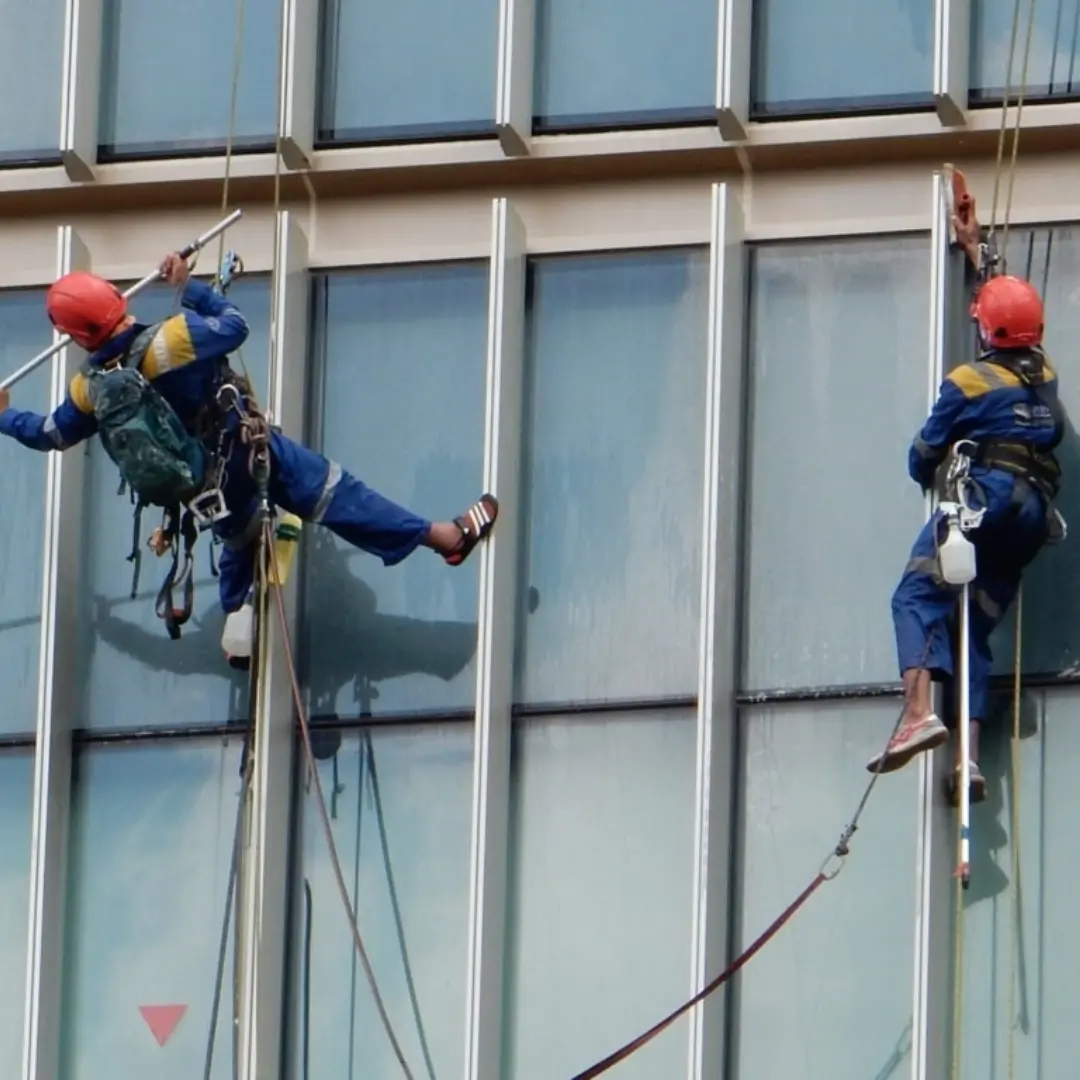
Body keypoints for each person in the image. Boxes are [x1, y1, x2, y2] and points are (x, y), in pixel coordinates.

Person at [0, 252, 499, 630]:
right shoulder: (170, 340)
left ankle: (237, 619)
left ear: (78, 337)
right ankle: (446, 538)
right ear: (115, 299)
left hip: (201, 484)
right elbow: (234, 326)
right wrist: (191, 287)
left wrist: (3, 415)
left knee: (237, 536)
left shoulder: (88, 389)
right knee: (333, 492)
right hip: (245, 450)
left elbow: (47, 433)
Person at [867, 180, 1067, 804]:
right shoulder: (1044, 372)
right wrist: (978, 250)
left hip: (988, 501)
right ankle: (970, 760)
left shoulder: (968, 381)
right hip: (1030, 519)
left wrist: (936, 461)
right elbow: (1006, 321)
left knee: (916, 596)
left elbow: (922, 456)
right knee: (970, 630)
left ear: (984, 330)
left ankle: (918, 713)